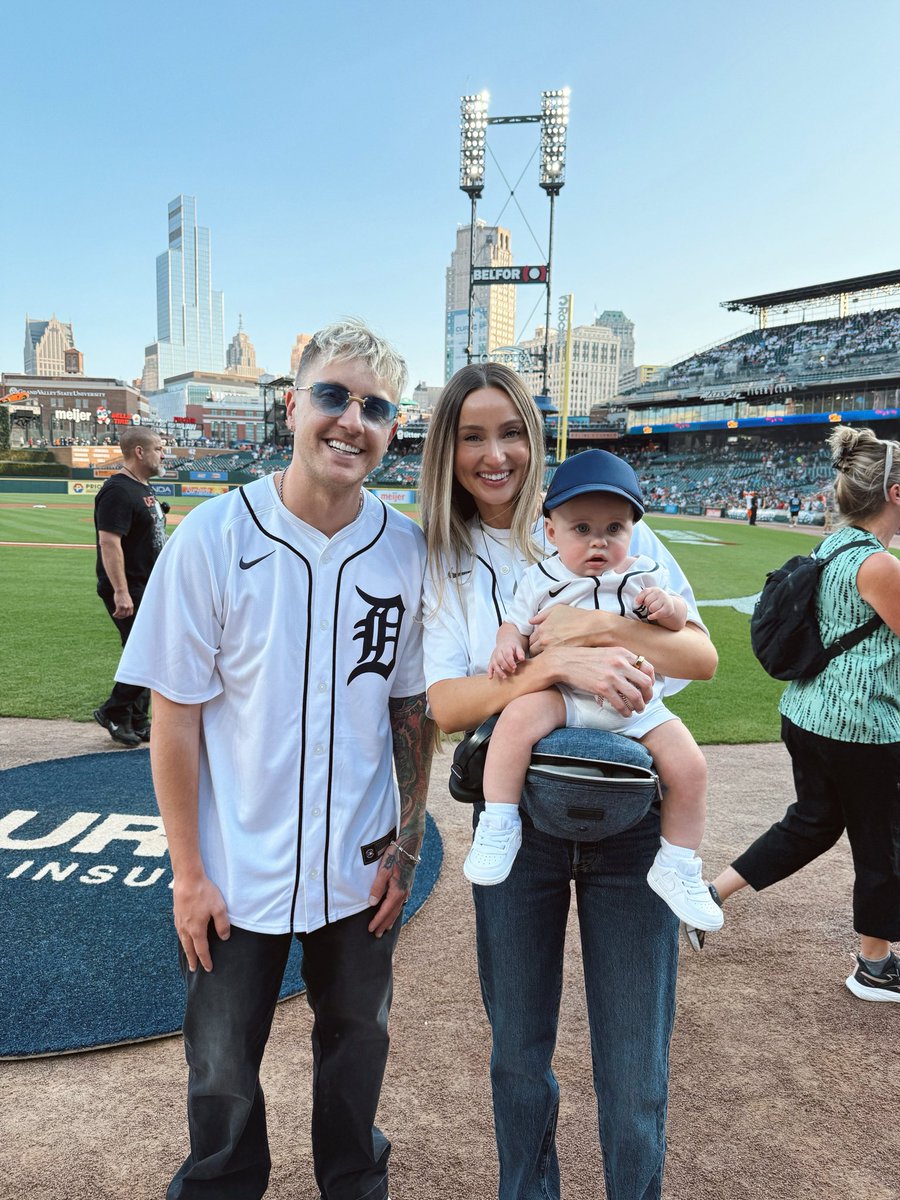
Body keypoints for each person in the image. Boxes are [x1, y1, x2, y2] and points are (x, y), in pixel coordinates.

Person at [116, 319, 434, 1198]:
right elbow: (173, 719)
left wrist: (406, 847)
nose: (350, 420)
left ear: (392, 428)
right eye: (332, 395)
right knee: (219, 1068)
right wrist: (187, 873)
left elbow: (411, 707)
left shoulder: (404, 550)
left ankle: (353, 1185)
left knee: (358, 1046)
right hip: (233, 862)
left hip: (359, 861)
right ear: (292, 406)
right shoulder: (214, 537)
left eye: (374, 407)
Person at [419, 363, 718, 1200]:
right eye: (472, 436)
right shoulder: (442, 555)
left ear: (537, 440)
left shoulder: (613, 526)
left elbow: (700, 655)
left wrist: (598, 624)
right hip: (519, 822)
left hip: (633, 823)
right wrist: (558, 663)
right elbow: (447, 704)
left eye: (510, 431)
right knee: (519, 1056)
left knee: (635, 1067)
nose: (495, 454)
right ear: (447, 450)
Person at [468, 450, 723, 931]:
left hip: (635, 701)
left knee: (690, 766)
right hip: (564, 695)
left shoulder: (644, 574)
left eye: (614, 529)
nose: (598, 542)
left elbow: (683, 627)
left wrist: (665, 605)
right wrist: (506, 645)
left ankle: (678, 864)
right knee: (515, 722)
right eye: (581, 529)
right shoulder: (541, 578)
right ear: (551, 532)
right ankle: (499, 822)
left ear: (633, 531)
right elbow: (515, 625)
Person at [711, 426, 900, 1002]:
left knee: (814, 821)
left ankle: (709, 896)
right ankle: (874, 966)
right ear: (895, 493)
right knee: (882, 842)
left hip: (807, 713)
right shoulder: (880, 566)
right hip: (863, 726)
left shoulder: (832, 547)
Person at [92, 426, 166, 747]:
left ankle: (135, 720)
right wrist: (120, 591)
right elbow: (109, 542)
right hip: (129, 588)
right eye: (159, 449)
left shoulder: (141, 487)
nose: (163, 454)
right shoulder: (118, 490)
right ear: (140, 452)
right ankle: (114, 710)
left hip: (147, 585)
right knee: (148, 654)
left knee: (144, 652)